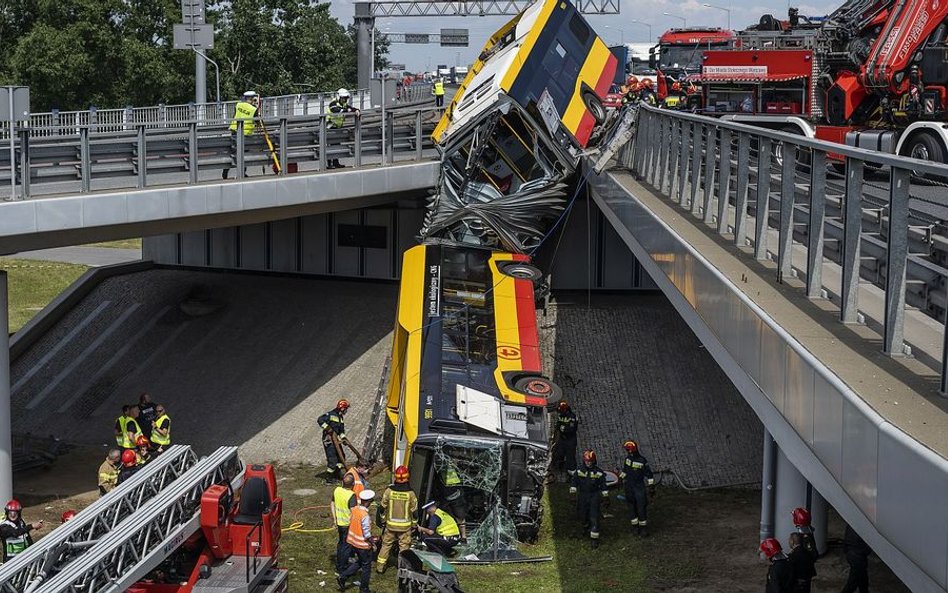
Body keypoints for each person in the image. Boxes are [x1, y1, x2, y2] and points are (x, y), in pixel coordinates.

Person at [376, 465, 417, 573]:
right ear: (407, 478)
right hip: (405, 527)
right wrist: (414, 524)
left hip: (390, 526)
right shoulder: (410, 493)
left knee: (385, 546)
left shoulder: (389, 491)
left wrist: (383, 520)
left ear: (396, 478)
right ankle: (403, 568)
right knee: (404, 548)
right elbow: (415, 512)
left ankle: (380, 567)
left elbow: (382, 508)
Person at [337, 489, 376, 593]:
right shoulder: (365, 516)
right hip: (363, 545)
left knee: (360, 562)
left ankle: (343, 577)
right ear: (368, 502)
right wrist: (373, 542)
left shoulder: (354, 510)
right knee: (366, 566)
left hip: (353, 542)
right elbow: (367, 534)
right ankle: (364, 589)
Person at [570, 450, 608, 548]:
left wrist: (606, 497)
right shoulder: (579, 471)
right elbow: (574, 483)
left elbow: (604, 486)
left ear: (594, 461)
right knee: (582, 514)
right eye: (587, 461)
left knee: (594, 517)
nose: (589, 463)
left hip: (594, 496)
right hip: (582, 496)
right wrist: (573, 495)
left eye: (590, 461)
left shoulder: (598, 473)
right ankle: (586, 528)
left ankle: (594, 539)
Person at [619, 440, 655, 536]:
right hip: (629, 487)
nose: (628, 452)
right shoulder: (627, 459)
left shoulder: (642, 461)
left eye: (629, 450)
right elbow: (625, 470)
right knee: (631, 508)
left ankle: (643, 528)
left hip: (639, 487)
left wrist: (651, 486)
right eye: (627, 450)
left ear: (633, 450)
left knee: (641, 508)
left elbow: (649, 474)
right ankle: (635, 527)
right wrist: (620, 478)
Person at [223, 91, 260, 179]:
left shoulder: (238, 105)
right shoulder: (253, 109)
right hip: (245, 133)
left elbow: (235, 115)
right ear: (252, 98)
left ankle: (225, 170)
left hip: (234, 130)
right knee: (244, 154)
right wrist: (257, 107)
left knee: (232, 151)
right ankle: (242, 173)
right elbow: (258, 121)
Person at [331, 473, 358, 576]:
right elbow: (353, 512)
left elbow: (332, 504)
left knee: (341, 544)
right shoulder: (351, 495)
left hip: (339, 523)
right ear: (353, 484)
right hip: (347, 524)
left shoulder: (337, 490)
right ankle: (342, 568)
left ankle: (339, 564)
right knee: (346, 546)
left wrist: (335, 519)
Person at [318, 399, 351, 481]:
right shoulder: (330, 414)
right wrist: (327, 428)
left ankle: (337, 473)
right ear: (342, 408)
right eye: (346, 409)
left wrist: (344, 438)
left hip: (336, 440)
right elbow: (320, 420)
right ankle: (328, 478)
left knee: (341, 456)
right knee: (332, 459)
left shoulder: (340, 418)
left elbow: (341, 431)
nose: (346, 411)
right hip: (329, 440)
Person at [327, 90, 359, 169]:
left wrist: (357, 110)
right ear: (339, 97)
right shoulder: (333, 103)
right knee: (330, 146)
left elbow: (351, 108)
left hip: (337, 127)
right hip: (330, 126)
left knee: (337, 145)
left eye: (346, 98)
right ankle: (330, 164)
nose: (344, 100)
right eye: (343, 98)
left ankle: (336, 162)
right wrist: (347, 110)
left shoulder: (344, 104)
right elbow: (335, 110)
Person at [549, 400, 578, 483]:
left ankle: (572, 475)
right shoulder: (561, 416)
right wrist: (554, 439)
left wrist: (563, 429)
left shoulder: (572, 417)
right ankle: (558, 465)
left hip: (570, 440)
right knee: (558, 452)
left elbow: (572, 429)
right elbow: (557, 427)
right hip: (562, 439)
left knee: (570, 457)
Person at [438, 464, 467, 540]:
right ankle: (460, 535)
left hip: (455, 495)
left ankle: (463, 536)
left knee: (460, 516)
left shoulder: (447, 467)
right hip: (448, 495)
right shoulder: (444, 467)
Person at [841, 524, 871, 593]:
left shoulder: (855, 520)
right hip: (856, 553)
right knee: (854, 582)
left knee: (860, 579)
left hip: (853, 551)